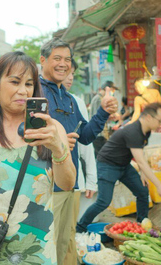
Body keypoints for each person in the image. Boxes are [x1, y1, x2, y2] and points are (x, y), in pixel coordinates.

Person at [0, 51, 75, 264]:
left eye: (29, 84)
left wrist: (57, 148)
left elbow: (66, 184)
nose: (23, 91)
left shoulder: (52, 130)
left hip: (38, 251)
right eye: (15, 82)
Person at [39, 38, 118, 265]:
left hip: (70, 181)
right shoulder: (36, 92)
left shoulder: (69, 98)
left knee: (66, 242)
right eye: (57, 58)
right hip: (46, 182)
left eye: (67, 60)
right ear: (43, 60)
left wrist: (102, 112)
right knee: (49, 244)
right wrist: (58, 141)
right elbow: (26, 134)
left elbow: (84, 136)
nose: (63, 64)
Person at [77, 103, 161, 232]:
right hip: (107, 165)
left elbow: (140, 154)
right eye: (160, 121)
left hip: (124, 165)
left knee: (143, 192)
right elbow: (141, 161)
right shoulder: (133, 131)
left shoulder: (146, 132)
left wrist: (144, 174)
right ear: (149, 117)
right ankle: (80, 228)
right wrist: (159, 185)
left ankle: (141, 225)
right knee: (103, 201)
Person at [61, 59, 98, 220]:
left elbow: (86, 146)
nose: (70, 78)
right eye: (66, 73)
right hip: (44, 182)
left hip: (72, 178)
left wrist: (91, 180)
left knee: (70, 231)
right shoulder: (40, 100)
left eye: (73, 74)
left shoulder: (76, 102)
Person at [89, 81, 120, 156]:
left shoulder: (100, 98)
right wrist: (111, 116)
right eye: (112, 90)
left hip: (100, 133)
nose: (113, 92)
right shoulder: (98, 99)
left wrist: (110, 117)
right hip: (99, 134)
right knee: (103, 156)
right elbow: (97, 117)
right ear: (107, 89)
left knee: (101, 156)